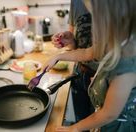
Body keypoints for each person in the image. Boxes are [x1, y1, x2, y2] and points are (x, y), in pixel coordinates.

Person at [49, 0, 136, 131]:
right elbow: (86, 52)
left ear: (111, 18)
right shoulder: (113, 42)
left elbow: (108, 114)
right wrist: (57, 56)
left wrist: (75, 128)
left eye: (95, 16)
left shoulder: (126, 67)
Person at [51, 0, 97, 122]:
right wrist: (70, 41)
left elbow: (95, 51)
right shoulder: (76, 2)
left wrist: (58, 57)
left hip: (104, 78)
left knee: (98, 125)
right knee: (81, 120)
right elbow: (76, 46)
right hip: (80, 74)